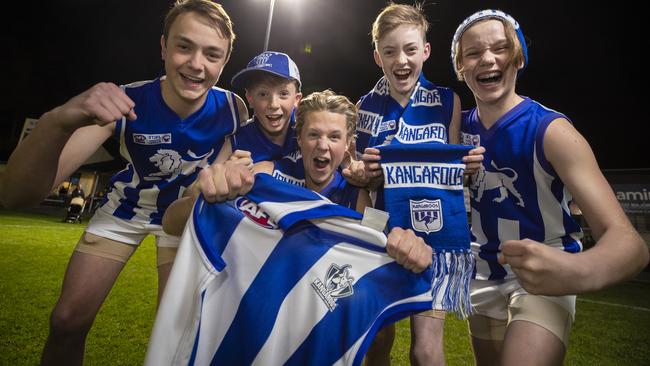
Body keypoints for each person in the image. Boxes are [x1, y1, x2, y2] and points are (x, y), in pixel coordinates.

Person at [0, 1, 248, 364]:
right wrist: (57, 121)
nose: (197, 64)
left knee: (177, 337)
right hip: (125, 210)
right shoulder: (125, 99)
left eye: (212, 54)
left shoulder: (234, 109)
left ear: (224, 62)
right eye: (184, 46)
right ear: (163, 47)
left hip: (183, 217)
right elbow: (16, 194)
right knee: (66, 321)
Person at [451, 9, 649, 365]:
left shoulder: (552, 131)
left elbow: (630, 245)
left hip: (545, 274)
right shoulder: (454, 131)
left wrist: (573, 271)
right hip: (481, 274)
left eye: (499, 47)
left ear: (519, 56)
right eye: (473, 52)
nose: (488, 58)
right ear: (460, 67)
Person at [342, 3, 484, 365]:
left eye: (409, 49)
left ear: (425, 50)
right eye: (390, 51)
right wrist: (360, 172)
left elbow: (454, 167)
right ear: (378, 56)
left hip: (434, 235)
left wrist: (465, 168)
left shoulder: (447, 101)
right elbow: (356, 170)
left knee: (425, 350)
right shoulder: (364, 107)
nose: (401, 60)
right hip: (380, 234)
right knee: (375, 342)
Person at [163, 90, 370, 236]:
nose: (323, 145)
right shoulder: (267, 175)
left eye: (334, 137)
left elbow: (378, 250)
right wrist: (210, 188)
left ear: (347, 143)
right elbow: (171, 223)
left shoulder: (357, 196)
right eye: (313, 134)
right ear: (299, 138)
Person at [228, 51, 303, 163]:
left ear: (296, 99)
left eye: (283, 94)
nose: (273, 105)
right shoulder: (235, 143)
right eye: (263, 94)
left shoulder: (311, 132)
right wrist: (227, 173)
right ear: (250, 99)